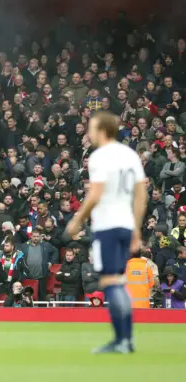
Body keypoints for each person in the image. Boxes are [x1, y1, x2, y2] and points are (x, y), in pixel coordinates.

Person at [66, 111, 147, 354]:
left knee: (112, 282)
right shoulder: (129, 154)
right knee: (118, 281)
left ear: (101, 130)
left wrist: (77, 219)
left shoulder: (100, 156)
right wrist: (136, 228)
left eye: (91, 128)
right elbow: (140, 195)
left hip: (107, 226)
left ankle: (123, 340)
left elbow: (96, 192)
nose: (89, 133)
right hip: (125, 224)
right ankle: (125, 339)